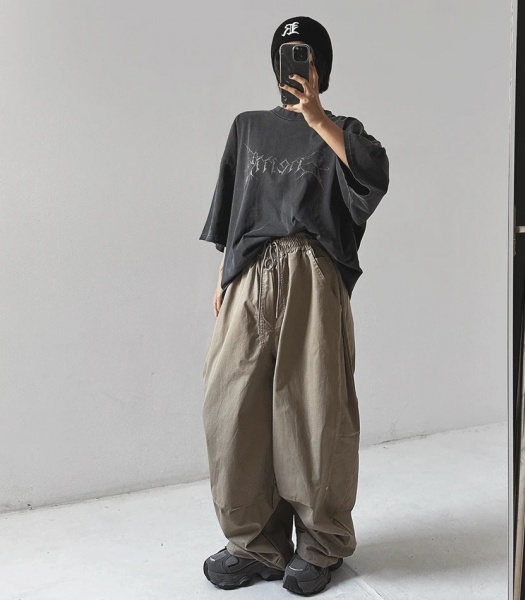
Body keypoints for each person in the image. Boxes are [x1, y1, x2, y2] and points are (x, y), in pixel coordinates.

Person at [200, 16, 390, 596]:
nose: (294, 63)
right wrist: (225, 276)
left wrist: (318, 119)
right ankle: (254, 545)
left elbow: (373, 178)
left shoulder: (343, 131)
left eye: (303, 53)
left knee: (313, 409)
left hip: (312, 273)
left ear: (320, 67)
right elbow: (233, 210)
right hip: (249, 275)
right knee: (233, 407)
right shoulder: (248, 127)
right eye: (285, 53)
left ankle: (320, 544)